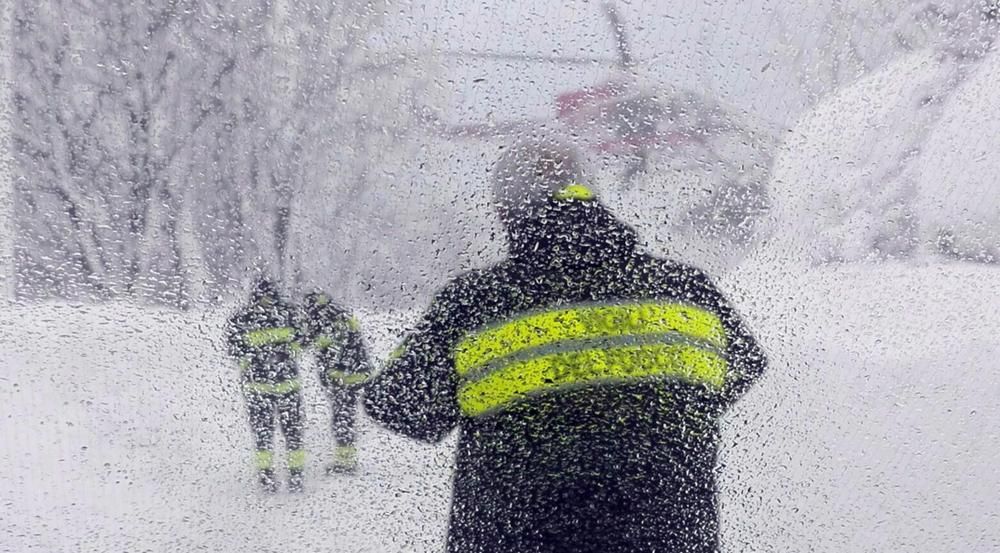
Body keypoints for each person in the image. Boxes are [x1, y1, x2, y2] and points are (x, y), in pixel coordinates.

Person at [364, 138, 767, 553]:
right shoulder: (686, 291)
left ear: (506, 212)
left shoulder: (476, 304)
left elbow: (398, 405)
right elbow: (743, 367)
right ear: (591, 194)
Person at [226, 278, 307, 493]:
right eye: (263, 298)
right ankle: (267, 475)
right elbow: (235, 349)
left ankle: (295, 475)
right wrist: (265, 358)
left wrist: (278, 355)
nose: (265, 302)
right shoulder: (281, 315)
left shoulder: (245, 319)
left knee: (291, 434)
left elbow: (301, 341)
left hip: (279, 387)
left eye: (268, 298)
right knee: (265, 435)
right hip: (263, 388)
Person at [300, 291, 372, 474]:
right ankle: (346, 459)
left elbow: (344, 348)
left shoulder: (332, 319)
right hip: (346, 376)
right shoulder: (331, 315)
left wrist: (337, 374)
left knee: (343, 419)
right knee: (343, 417)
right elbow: (310, 340)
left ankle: (346, 463)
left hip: (347, 378)